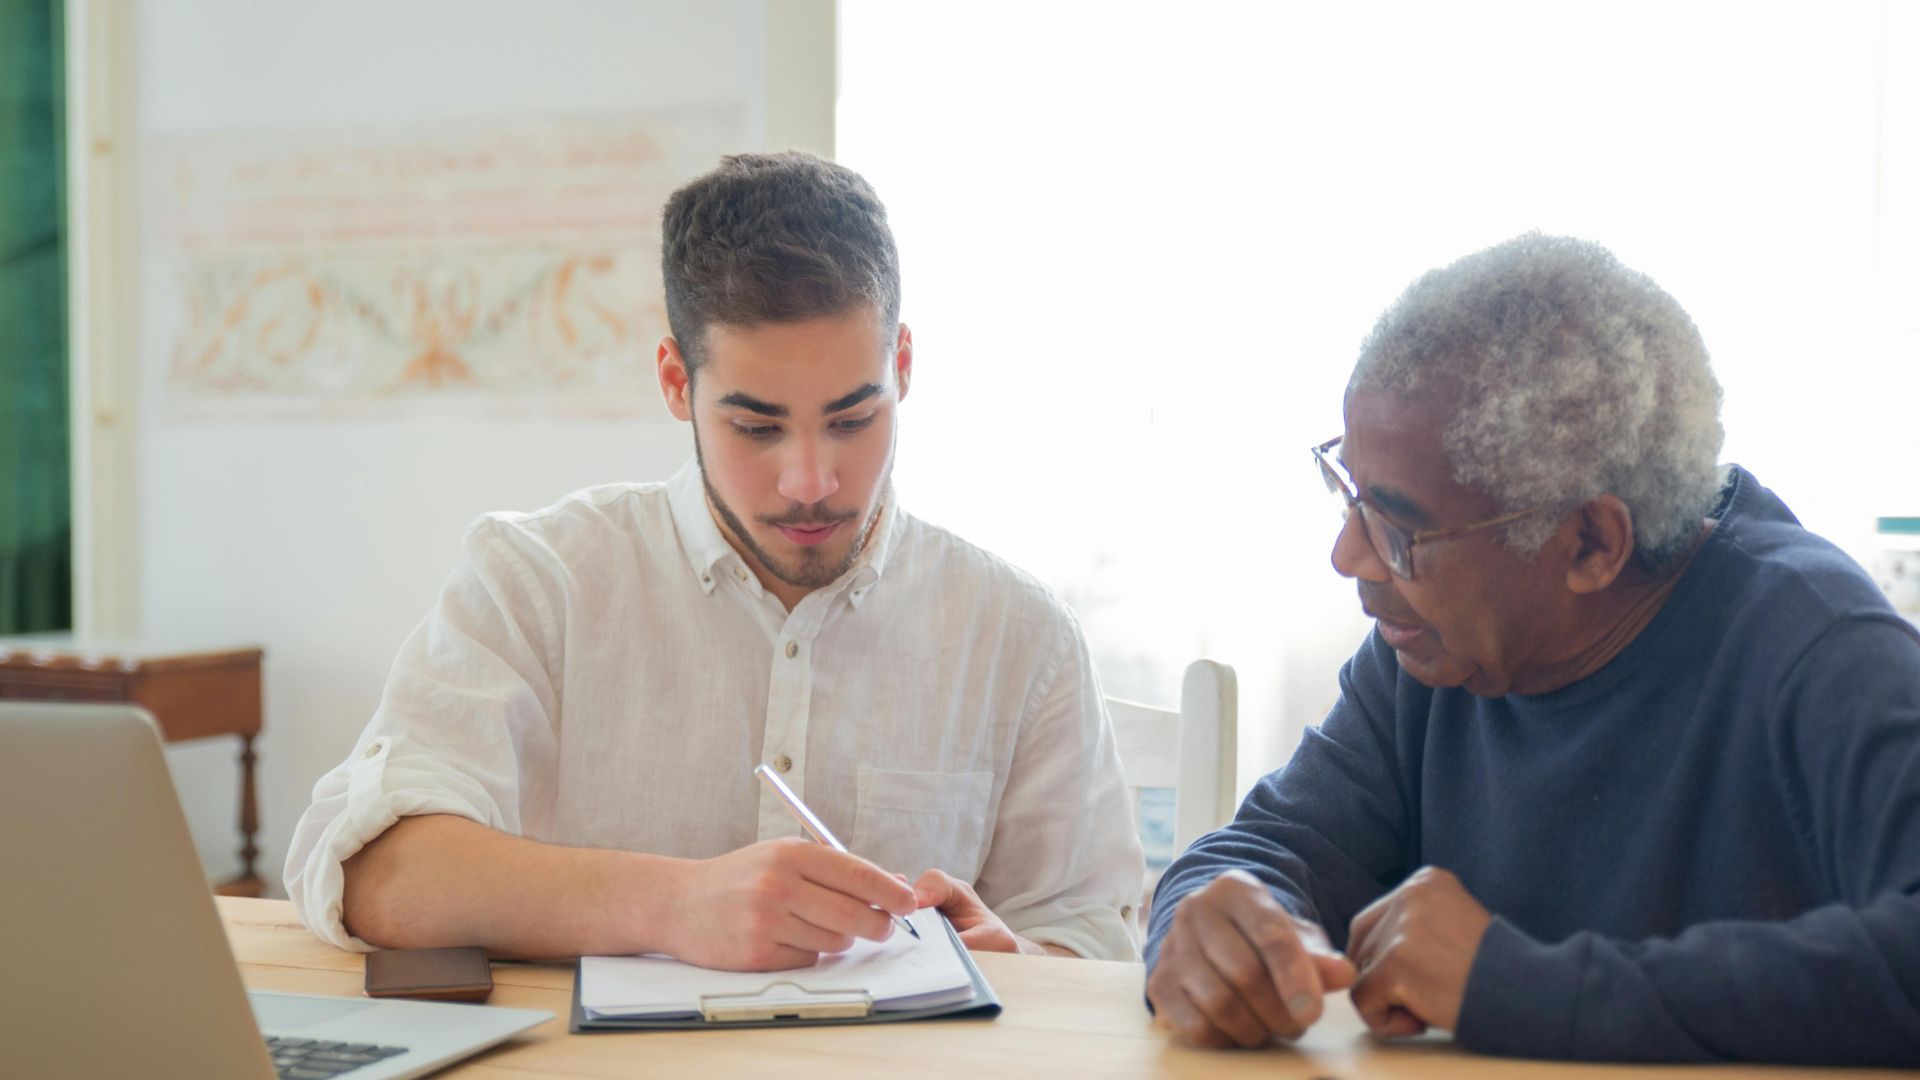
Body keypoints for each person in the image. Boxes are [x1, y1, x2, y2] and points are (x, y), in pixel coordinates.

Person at [285, 152, 1143, 969]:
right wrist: (673, 903)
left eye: (851, 418)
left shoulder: (1019, 635)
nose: (811, 481)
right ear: (674, 383)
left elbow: (1097, 942)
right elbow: (368, 868)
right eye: (755, 426)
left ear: (903, 366)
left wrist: (1016, 960)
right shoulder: (538, 581)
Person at [1144, 234, 1920, 1065]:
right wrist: (1211, 917)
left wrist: (1515, 985)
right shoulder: (1433, 651)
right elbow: (1269, 848)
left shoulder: (1821, 649)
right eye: (1350, 494)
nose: (1350, 558)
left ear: (1590, 542)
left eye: (1399, 529)